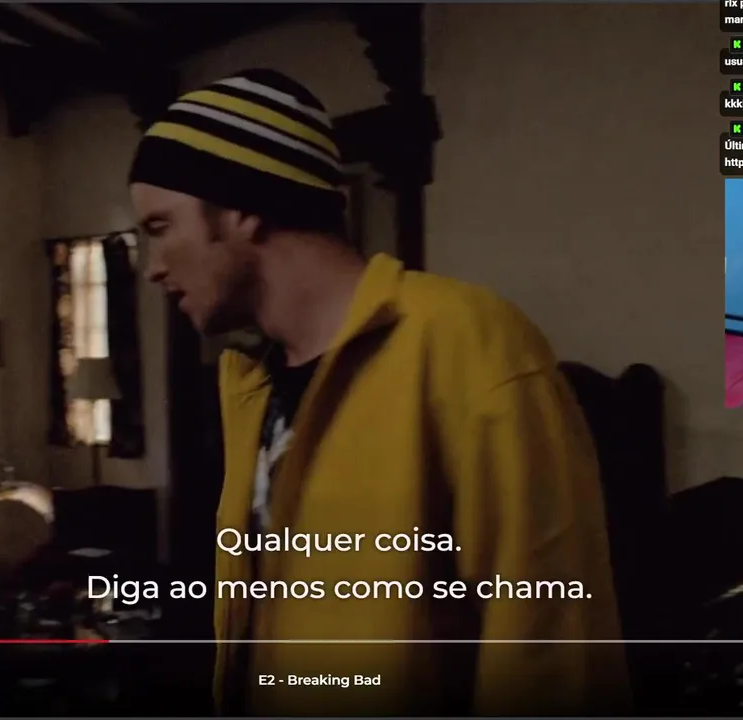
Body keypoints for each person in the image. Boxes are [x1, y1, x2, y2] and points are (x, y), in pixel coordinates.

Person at [127, 69, 628, 716]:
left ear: (241, 209)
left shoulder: (468, 343)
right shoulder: (254, 385)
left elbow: (554, 652)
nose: (152, 267)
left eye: (160, 226)